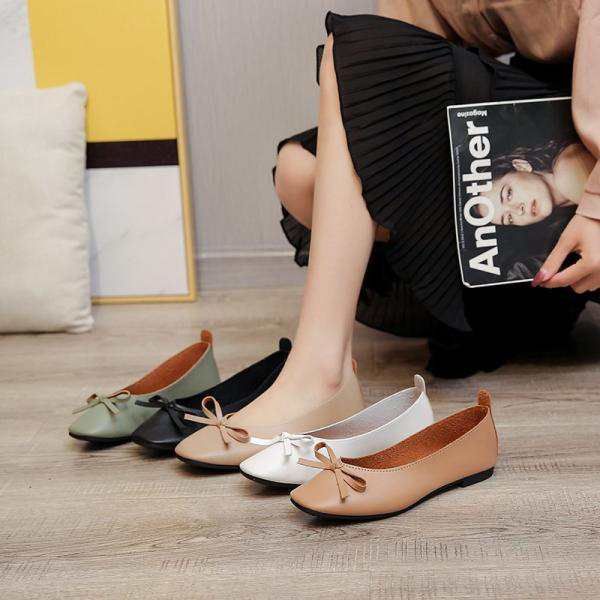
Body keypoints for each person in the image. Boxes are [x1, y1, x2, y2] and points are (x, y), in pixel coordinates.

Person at [237, 1, 600, 428]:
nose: (514, 209)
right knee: (299, 170)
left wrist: (595, 210)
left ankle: (319, 375)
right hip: (528, 155)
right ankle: (326, 363)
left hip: (581, 186)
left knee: (359, 49)